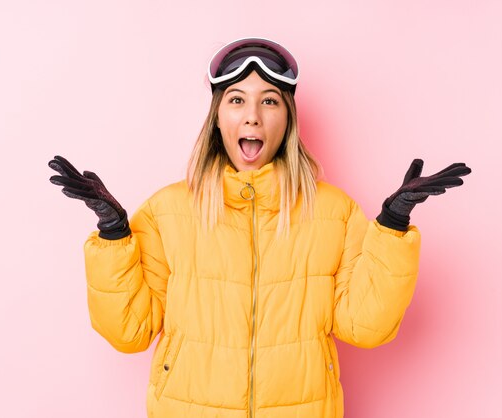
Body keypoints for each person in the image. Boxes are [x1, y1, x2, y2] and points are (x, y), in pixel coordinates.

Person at [48, 37, 471, 418]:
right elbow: (129, 331)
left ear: (288, 118)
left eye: (269, 101)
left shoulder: (334, 212)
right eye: (236, 100)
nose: (252, 117)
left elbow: (366, 325)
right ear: (216, 117)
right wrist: (113, 237)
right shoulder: (167, 211)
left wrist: (392, 229)